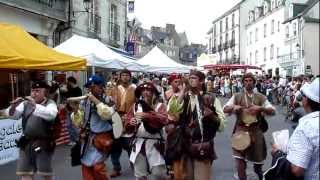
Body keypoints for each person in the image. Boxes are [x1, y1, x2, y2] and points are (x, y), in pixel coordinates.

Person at [166, 70, 225, 180]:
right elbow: (172, 112)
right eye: (190, 78)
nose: (191, 80)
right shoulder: (182, 97)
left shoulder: (211, 98)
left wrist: (211, 115)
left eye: (194, 78)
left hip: (202, 145)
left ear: (201, 81)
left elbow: (222, 125)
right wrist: (183, 90)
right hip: (185, 145)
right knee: (186, 177)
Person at [1, 81, 58, 180]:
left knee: (45, 173)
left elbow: (51, 115)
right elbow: (13, 115)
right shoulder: (25, 104)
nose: (34, 93)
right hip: (26, 143)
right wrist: (14, 106)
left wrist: (35, 105)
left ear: (44, 92)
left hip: (43, 144)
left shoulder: (50, 103)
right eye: (32, 91)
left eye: (37, 91)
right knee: (25, 172)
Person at [223, 73, 276, 180]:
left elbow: (273, 111)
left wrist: (261, 108)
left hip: (256, 131)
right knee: (239, 161)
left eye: (250, 80)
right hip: (240, 131)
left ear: (254, 82)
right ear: (242, 83)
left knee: (258, 165)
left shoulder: (261, 97)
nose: (248, 83)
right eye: (246, 81)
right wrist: (233, 107)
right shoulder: (237, 96)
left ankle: (261, 177)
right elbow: (225, 109)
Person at [270, 77, 319, 180]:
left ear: (306, 101)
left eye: (303, 96)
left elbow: (296, 170)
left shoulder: (307, 127)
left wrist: (277, 153)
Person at [70, 75, 115, 180]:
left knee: (98, 166)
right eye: (89, 87)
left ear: (101, 87)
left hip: (101, 139)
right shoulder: (84, 101)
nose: (89, 89)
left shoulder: (107, 100)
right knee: (86, 165)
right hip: (87, 138)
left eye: (93, 86)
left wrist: (95, 101)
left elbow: (108, 114)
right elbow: (79, 122)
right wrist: (75, 111)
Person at [125, 82, 168, 180]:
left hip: (155, 143)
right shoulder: (135, 106)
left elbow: (164, 120)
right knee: (140, 174)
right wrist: (130, 123)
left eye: (148, 90)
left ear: (154, 93)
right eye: (143, 90)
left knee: (158, 173)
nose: (145, 92)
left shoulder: (160, 106)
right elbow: (127, 124)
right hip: (139, 142)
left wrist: (148, 116)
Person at [109, 69, 136, 178]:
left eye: (127, 75)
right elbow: (109, 102)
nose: (125, 77)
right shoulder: (115, 88)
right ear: (120, 77)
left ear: (130, 77)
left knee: (130, 145)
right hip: (117, 117)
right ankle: (116, 168)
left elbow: (137, 103)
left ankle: (135, 166)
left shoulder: (135, 88)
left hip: (130, 118)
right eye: (123, 75)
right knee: (115, 145)